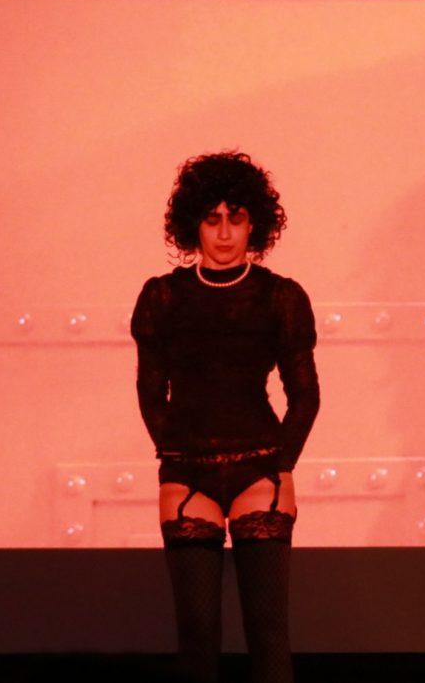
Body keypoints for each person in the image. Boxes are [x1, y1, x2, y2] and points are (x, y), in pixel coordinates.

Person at [132, 151, 319, 683]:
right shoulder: (162, 297)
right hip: (187, 474)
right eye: (212, 218)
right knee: (196, 636)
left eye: (235, 217)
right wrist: (173, 452)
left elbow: (304, 394)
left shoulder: (280, 298)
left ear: (253, 222)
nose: (223, 232)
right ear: (193, 222)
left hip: (260, 468)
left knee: (268, 633)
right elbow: (150, 389)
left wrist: (281, 465)